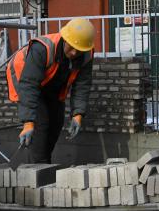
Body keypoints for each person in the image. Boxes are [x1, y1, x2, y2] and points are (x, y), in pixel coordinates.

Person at [6, 18, 95, 163]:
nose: (73, 53)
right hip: (25, 78)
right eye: (71, 47)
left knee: (56, 122)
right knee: (40, 125)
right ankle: (38, 168)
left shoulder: (86, 54)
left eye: (78, 51)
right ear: (65, 39)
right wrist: (28, 122)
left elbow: (82, 85)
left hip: (51, 84)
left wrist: (78, 114)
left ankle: (44, 163)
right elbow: (29, 85)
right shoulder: (42, 48)